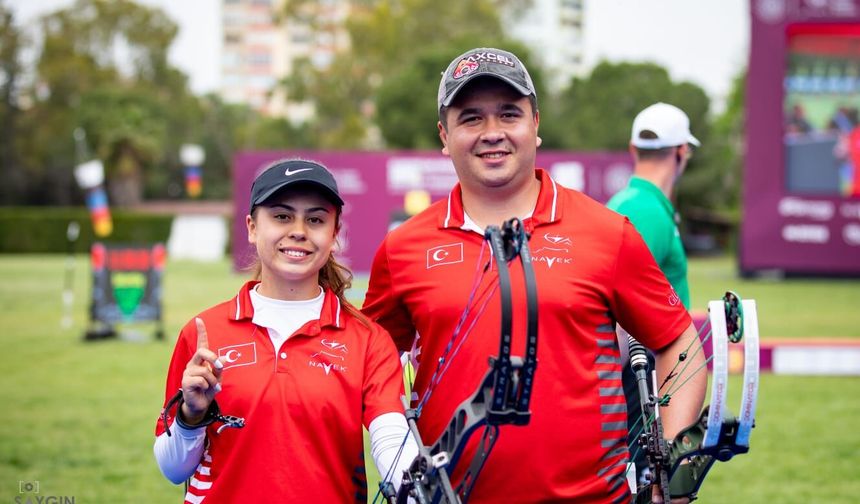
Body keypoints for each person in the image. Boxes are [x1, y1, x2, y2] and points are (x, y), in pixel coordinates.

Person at [362, 47, 707, 503]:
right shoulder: (404, 247)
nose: (492, 133)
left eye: (509, 114)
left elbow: (679, 341)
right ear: (444, 135)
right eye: (471, 118)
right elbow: (372, 363)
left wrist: (671, 476)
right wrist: (391, 445)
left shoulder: (606, 232)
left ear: (536, 125)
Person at [153, 159, 417, 502]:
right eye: (281, 216)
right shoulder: (205, 333)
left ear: (334, 234)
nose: (298, 230)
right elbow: (172, 469)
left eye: (316, 219)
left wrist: (416, 490)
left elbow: (391, 437)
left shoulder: (367, 339)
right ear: (251, 227)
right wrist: (192, 415)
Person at [606, 102, 700, 488]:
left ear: (633, 150)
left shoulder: (637, 205)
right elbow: (611, 314)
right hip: (637, 384)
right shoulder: (643, 211)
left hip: (639, 380)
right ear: (682, 152)